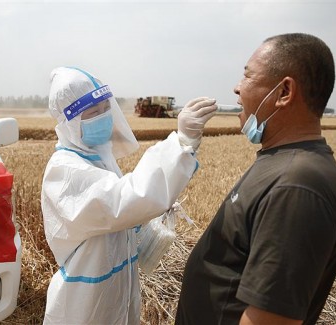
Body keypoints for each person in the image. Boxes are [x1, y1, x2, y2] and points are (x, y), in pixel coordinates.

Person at [176, 33, 336, 325]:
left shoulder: (297, 185)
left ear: (284, 92)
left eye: (248, 76)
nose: (237, 88)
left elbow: (270, 318)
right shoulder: (281, 161)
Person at [40, 66, 216, 324]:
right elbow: (122, 200)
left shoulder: (98, 157)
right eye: (92, 112)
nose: (103, 116)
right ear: (70, 121)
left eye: (104, 108)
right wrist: (180, 143)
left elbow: (122, 211)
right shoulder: (65, 170)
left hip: (114, 291)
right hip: (84, 305)